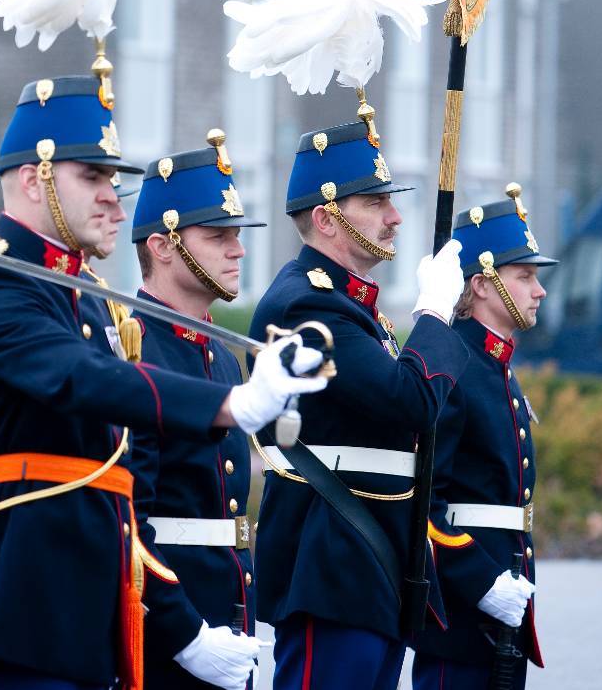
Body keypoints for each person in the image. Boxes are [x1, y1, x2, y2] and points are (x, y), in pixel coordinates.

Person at [0, 76, 327, 690]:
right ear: (34, 180)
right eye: (93, 178)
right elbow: (82, 379)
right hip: (17, 612)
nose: (115, 199)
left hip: (86, 623)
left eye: (112, 181)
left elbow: (119, 492)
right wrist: (234, 403)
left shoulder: (81, 300)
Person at [249, 116, 470, 690]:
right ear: (326, 218)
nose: (395, 217)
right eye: (375, 203)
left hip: (371, 563)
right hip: (334, 563)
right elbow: (410, 402)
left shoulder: (357, 311)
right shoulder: (308, 307)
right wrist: (435, 314)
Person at [129, 129, 264, 690]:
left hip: (228, 613)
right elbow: (130, 519)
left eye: (237, 235)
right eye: (218, 236)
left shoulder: (223, 357)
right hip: (169, 628)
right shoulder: (132, 345)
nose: (238, 250)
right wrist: (184, 633)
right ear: (164, 245)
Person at [410, 183, 556, 690]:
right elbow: (420, 499)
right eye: (525, 275)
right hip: (462, 609)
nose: (539, 290)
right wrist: (478, 580)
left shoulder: (497, 366)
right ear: (481, 285)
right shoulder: (454, 363)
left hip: (504, 607)